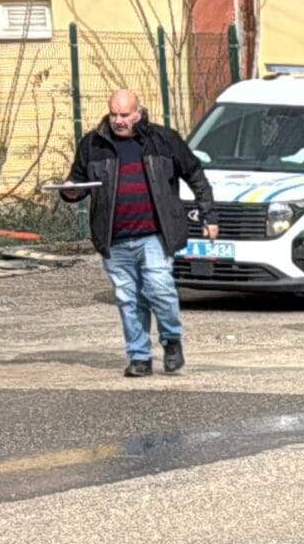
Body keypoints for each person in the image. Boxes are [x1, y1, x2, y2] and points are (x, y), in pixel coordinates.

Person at [60, 90, 212, 377]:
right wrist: (69, 191)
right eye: (114, 114)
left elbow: (195, 174)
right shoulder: (93, 144)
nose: (118, 120)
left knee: (160, 290)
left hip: (154, 235)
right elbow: (78, 184)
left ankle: (171, 340)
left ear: (138, 113)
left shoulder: (163, 139)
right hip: (114, 238)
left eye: (125, 115)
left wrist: (208, 214)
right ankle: (140, 357)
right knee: (129, 300)